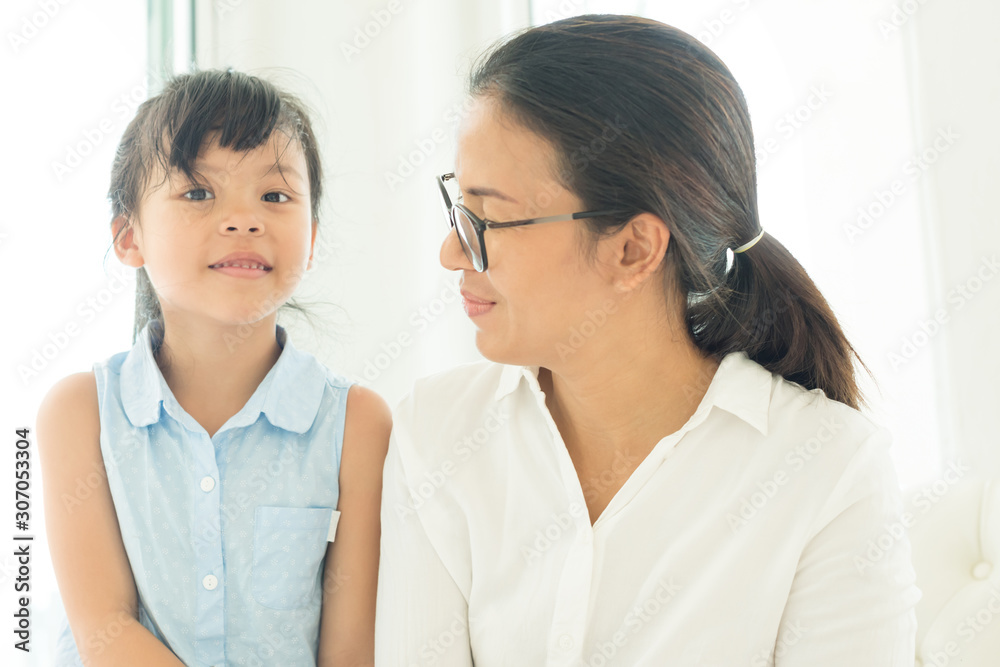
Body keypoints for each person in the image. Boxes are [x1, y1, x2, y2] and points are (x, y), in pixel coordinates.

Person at [375, 15, 920, 666]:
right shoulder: (435, 435)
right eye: (458, 210)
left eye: (487, 218)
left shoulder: (831, 471)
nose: (449, 252)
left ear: (633, 249)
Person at [37, 69, 391, 666]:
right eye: (199, 193)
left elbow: (349, 654)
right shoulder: (79, 413)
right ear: (129, 237)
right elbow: (105, 630)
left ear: (311, 238)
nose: (243, 220)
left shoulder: (358, 424)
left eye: (274, 196)